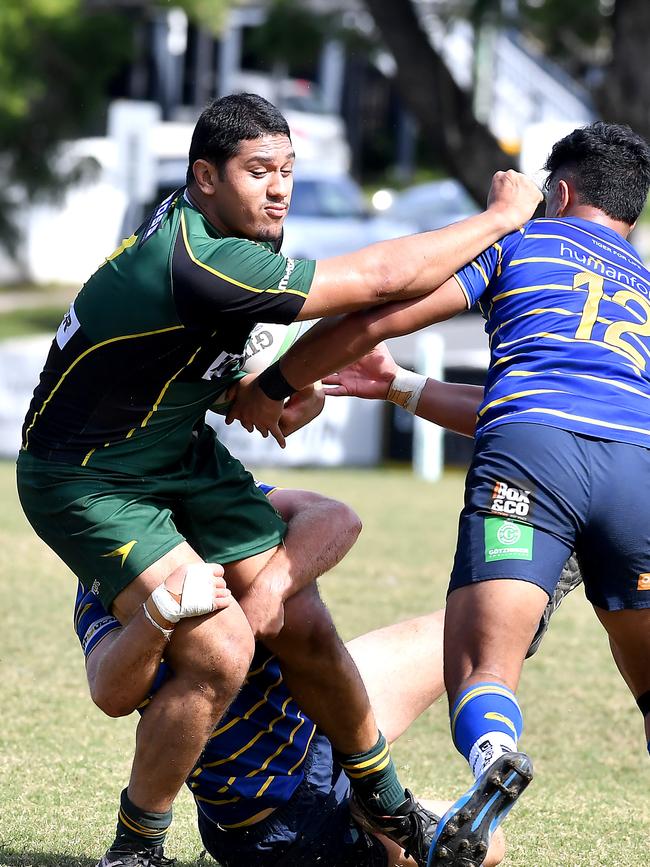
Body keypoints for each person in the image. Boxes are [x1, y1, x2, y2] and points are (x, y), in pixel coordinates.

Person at [15, 92, 542, 867]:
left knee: (302, 617)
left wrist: (262, 384)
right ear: (204, 178)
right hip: (87, 478)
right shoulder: (201, 260)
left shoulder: (222, 236)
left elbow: (230, 380)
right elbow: (384, 277)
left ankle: (384, 799)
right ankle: (135, 849)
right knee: (224, 646)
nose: (279, 188)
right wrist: (500, 219)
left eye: (288, 170)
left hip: (169, 448)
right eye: (258, 170)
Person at [231, 121, 650, 867]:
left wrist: (279, 383)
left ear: (556, 192)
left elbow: (382, 315)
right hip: (639, 470)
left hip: (532, 460)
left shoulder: (521, 240)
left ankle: (494, 757)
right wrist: (400, 386)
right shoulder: (644, 289)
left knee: (482, 669)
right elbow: (552, 396)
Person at [75, 481, 506, 867]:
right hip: (273, 814)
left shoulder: (205, 494)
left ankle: (537, 592)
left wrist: (266, 593)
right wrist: (162, 610)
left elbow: (337, 517)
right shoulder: (108, 573)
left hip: (318, 719)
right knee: (490, 844)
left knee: (474, 628)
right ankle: (359, 811)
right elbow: (112, 693)